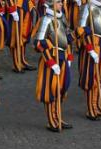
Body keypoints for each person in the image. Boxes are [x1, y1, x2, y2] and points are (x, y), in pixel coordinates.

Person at [34, 0, 74, 132]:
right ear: (51, 4)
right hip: (51, 59)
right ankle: (51, 120)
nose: (61, 4)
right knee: (50, 90)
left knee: (61, 89)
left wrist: (69, 56)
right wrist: (50, 62)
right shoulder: (46, 20)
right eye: (58, 2)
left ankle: (58, 116)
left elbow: (68, 38)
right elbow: (39, 43)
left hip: (62, 57)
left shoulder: (62, 18)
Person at [77, 0, 101, 119]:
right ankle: (90, 109)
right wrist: (90, 49)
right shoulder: (87, 7)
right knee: (91, 78)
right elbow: (81, 31)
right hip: (93, 44)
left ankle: (98, 106)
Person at [6, 0, 38, 73]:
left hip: (27, 4)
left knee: (24, 35)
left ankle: (22, 61)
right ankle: (16, 63)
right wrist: (12, 9)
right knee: (15, 37)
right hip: (16, 6)